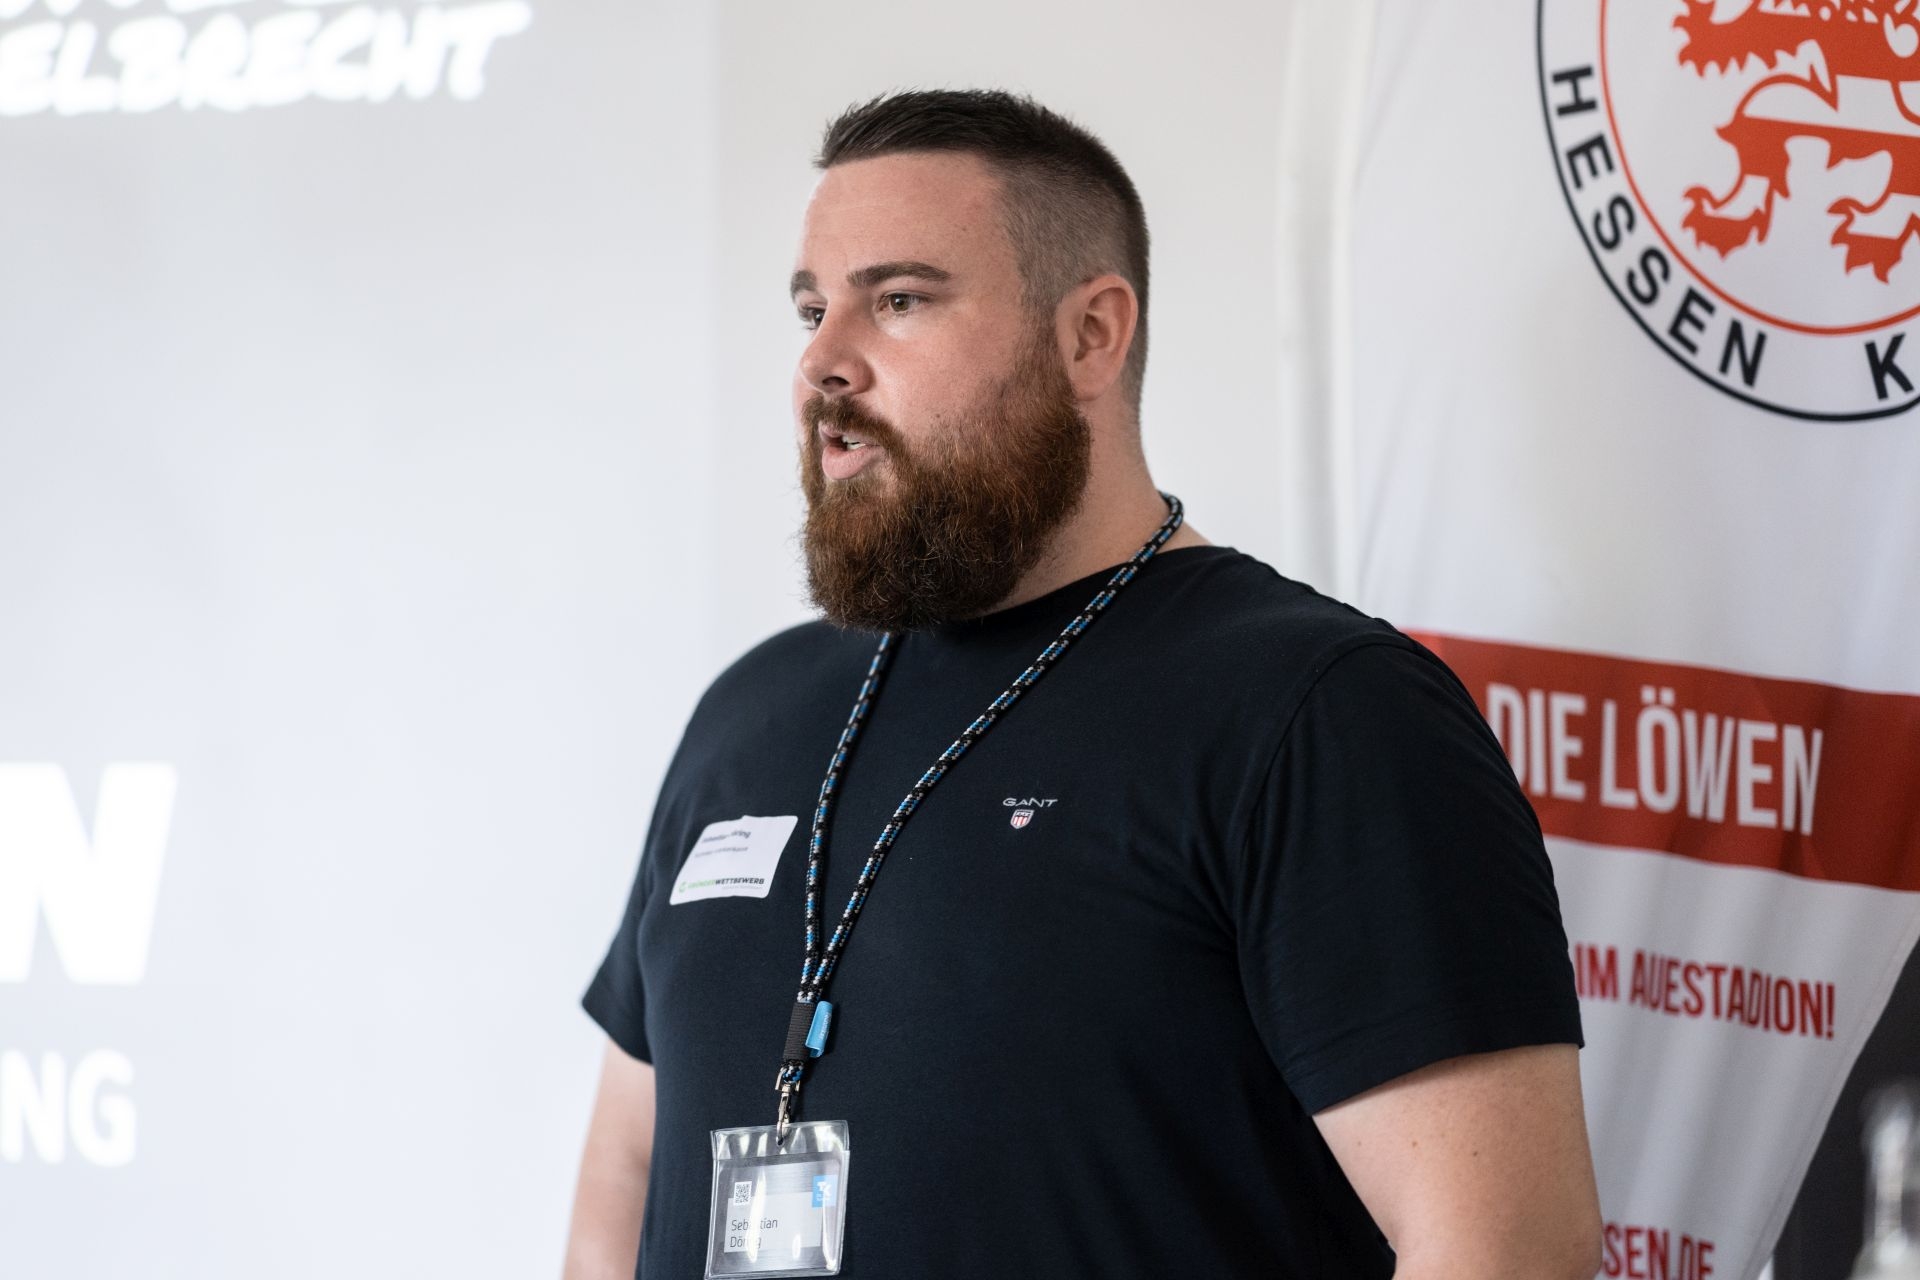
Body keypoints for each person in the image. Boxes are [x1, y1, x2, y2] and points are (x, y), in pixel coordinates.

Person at [563, 88, 1602, 1279]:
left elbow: (1508, 1242)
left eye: (897, 300)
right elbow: (625, 1175)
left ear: (1091, 336)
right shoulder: (750, 711)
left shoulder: (1320, 711)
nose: (822, 363)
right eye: (811, 309)